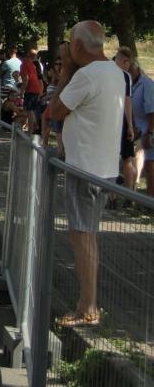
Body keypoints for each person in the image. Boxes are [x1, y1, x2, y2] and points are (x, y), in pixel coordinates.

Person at [49, 20, 125, 328]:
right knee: (87, 235)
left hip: (85, 167)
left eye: (70, 44)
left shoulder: (86, 75)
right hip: (104, 167)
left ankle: (87, 306)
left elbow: (55, 110)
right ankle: (88, 304)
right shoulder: (116, 72)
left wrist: (66, 72)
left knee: (82, 236)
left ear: (79, 45)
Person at [126, 53, 154, 196]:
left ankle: (149, 202)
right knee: (147, 166)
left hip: (150, 130)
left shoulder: (146, 84)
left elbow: (152, 112)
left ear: (135, 68)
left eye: (130, 69)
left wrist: (149, 133)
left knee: (150, 167)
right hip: (140, 130)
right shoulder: (132, 84)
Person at [113, 48, 136, 190]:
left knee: (113, 157)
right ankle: (129, 194)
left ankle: (112, 195)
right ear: (124, 61)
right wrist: (130, 125)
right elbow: (127, 100)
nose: (129, 66)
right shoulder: (126, 76)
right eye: (129, 63)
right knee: (127, 158)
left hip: (109, 119)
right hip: (120, 120)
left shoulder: (107, 72)